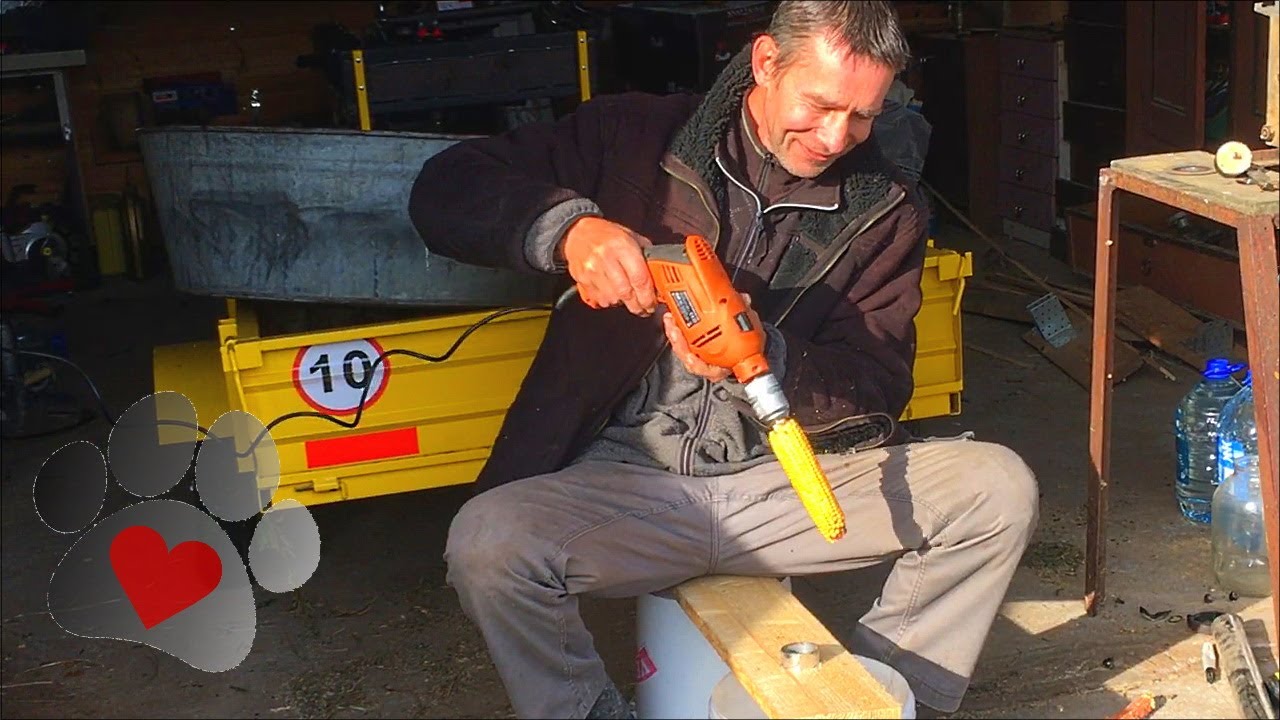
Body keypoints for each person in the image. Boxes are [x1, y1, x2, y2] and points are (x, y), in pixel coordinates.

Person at [408, 2, 1039, 718]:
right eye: (821, 104)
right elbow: (445, 188)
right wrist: (566, 229)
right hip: (622, 485)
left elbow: (878, 387)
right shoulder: (633, 135)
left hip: (787, 489)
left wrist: (768, 356)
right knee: (490, 544)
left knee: (995, 488)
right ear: (766, 62)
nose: (837, 137)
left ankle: (880, 698)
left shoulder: (884, 209)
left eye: (863, 114)